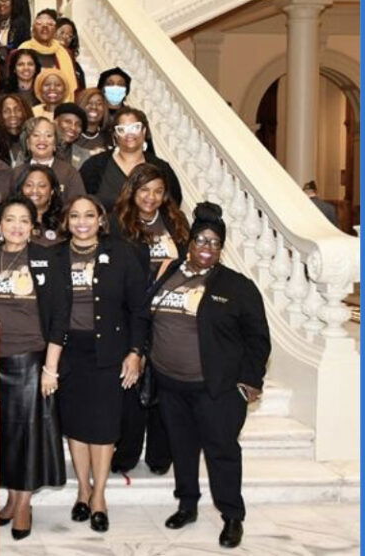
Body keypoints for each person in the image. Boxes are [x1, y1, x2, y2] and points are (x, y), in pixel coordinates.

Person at [149, 202, 270, 549]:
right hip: (170, 385)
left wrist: (249, 382)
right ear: (190, 242)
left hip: (215, 389)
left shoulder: (237, 286)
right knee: (183, 449)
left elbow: (258, 339)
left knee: (222, 452)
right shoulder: (168, 272)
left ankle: (232, 516)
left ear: (221, 248)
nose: (207, 248)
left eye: (215, 243)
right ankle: (187, 505)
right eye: (201, 240)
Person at [37, 195, 147, 534]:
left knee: (103, 427)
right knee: (76, 426)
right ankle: (82, 490)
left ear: (101, 219)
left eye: (89, 215)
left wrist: (135, 352)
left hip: (109, 351)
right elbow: (52, 312)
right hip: (70, 353)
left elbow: (139, 310)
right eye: (74, 216)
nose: (81, 222)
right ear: (66, 222)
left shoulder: (122, 254)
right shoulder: (54, 257)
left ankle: (99, 495)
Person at [0, 196, 66, 538]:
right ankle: (11, 500)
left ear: (32, 226)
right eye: (9, 219)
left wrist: (50, 368)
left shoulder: (46, 259)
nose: (16, 226)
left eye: (23, 220)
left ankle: (23, 505)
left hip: (29, 359)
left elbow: (59, 316)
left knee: (27, 436)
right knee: (4, 436)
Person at [110, 162, 190, 477]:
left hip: (169, 315)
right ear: (133, 190)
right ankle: (127, 451)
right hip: (131, 312)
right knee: (131, 385)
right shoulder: (118, 224)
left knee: (166, 386)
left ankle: (160, 454)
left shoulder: (176, 221)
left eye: (158, 191)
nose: (151, 197)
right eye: (145, 190)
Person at [80, 107, 182, 212]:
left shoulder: (161, 167)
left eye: (134, 128)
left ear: (144, 131)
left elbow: (173, 206)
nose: (129, 134)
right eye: (122, 129)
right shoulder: (94, 166)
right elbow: (81, 204)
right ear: (115, 135)